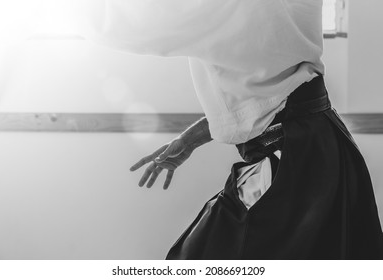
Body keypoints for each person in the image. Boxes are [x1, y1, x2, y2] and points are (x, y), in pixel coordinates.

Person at [74, 0, 383, 259]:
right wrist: (190, 139)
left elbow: (113, 24)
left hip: (288, 161)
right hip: (324, 145)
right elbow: (273, 89)